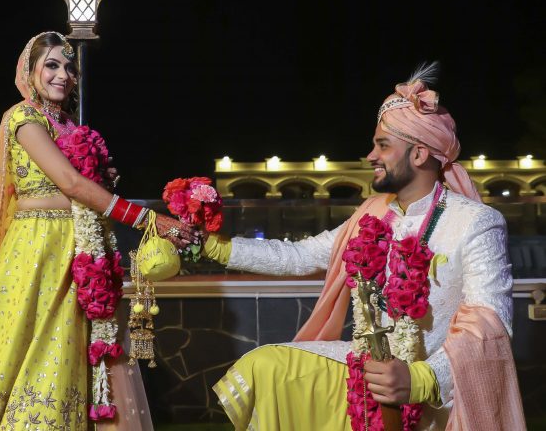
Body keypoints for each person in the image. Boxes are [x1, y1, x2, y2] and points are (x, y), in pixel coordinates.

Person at [204, 64, 526, 430]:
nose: (371, 155)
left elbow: (489, 322)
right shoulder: (372, 214)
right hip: (368, 374)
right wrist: (214, 247)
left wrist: (421, 378)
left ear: (419, 154)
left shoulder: (474, 221)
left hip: (435, 395)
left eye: (383, 145)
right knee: (266, 365)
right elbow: (299, 255)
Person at [0, 31, 199, 430]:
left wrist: (103, 177)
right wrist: (149, 219)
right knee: (23, 345)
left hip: (79, 246)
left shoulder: (66, 124)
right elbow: (70, 183)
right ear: (29, 72)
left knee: (67, 349)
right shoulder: (22, 118)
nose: (63, 74)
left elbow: (83, 187)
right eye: (51, 65)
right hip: (36, 250)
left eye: (69, 67)